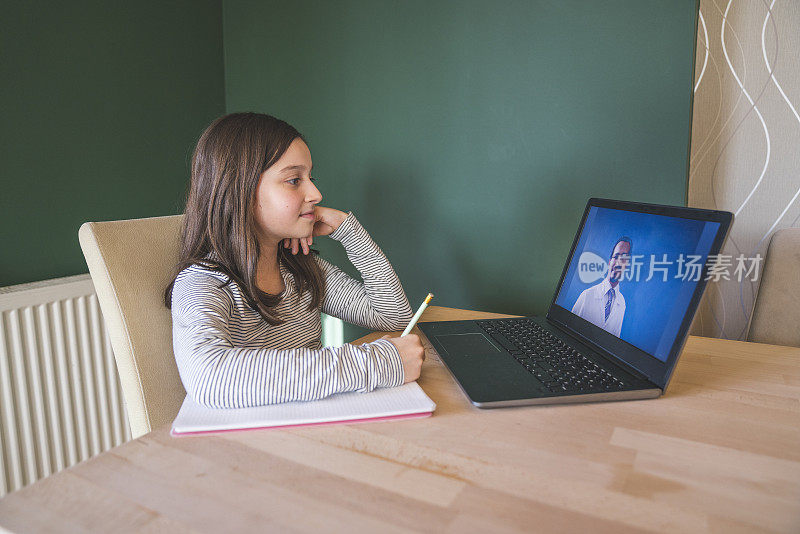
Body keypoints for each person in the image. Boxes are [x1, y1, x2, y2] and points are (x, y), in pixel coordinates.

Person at [164, 112, 424, 409]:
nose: (315, 193)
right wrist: (380, 362)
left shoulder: (299, 270)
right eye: (293, 180)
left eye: (310, 178)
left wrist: (350, 233)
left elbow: (393, 317)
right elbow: (210, 377)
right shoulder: (204, 282)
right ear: (240, 191)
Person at [570, 237, 632, 338]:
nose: (618, 263)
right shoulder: (587, 295)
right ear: (609, 262)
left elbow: (615, 339)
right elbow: (567, 330)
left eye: (623, 259)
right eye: (616, 257)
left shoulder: (622, 303)